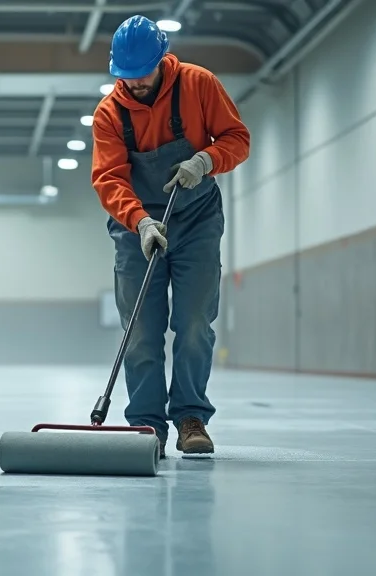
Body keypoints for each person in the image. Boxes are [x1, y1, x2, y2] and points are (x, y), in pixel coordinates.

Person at [90, 15, 250, 458]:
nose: (136, 83)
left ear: (163, 60)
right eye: (127, 76)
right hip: (137, 227)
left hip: (196, 219)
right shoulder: (110, 113)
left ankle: (190, 417)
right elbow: (109, 179)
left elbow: (238, 138)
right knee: (141, 330)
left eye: (143, 74)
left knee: (195, 323)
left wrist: (205, 160)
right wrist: (140, 222)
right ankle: (145, 424)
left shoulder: (199, 85)